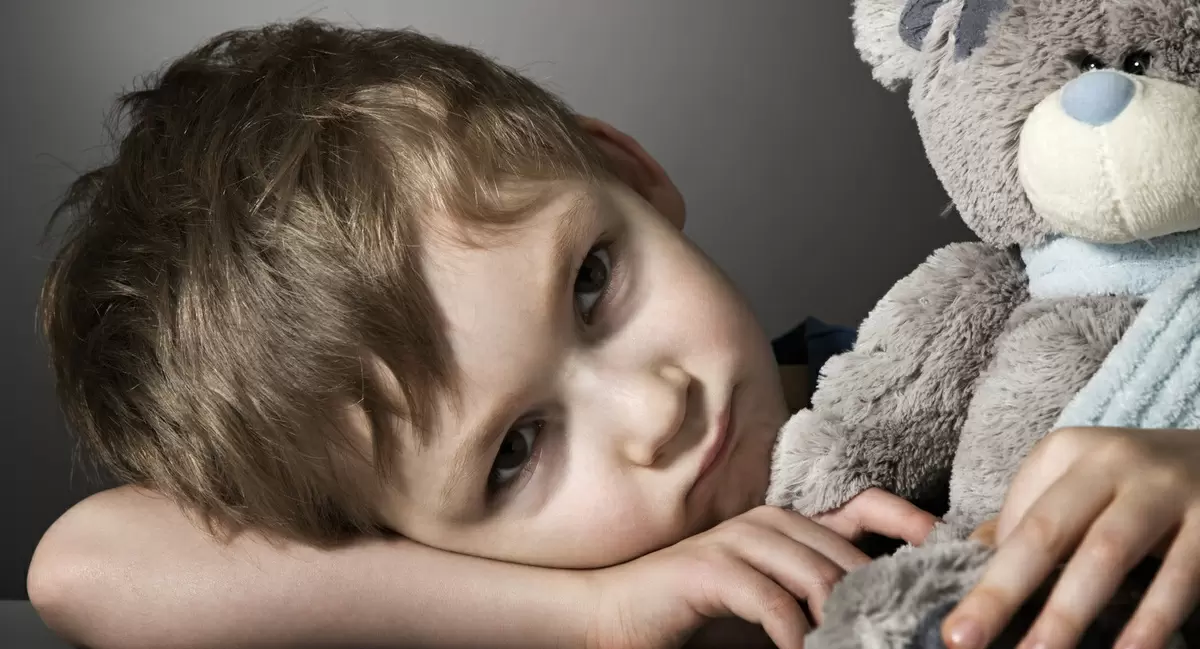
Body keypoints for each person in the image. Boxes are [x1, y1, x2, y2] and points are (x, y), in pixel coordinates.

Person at [26, 19, 1200, 649]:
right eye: (513, 451)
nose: (655, 409)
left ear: (627, 173)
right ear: (397, 537)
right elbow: (84, 570)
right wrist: (588, 616)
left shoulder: (966, 367)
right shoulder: (566, 610)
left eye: (590, 283)